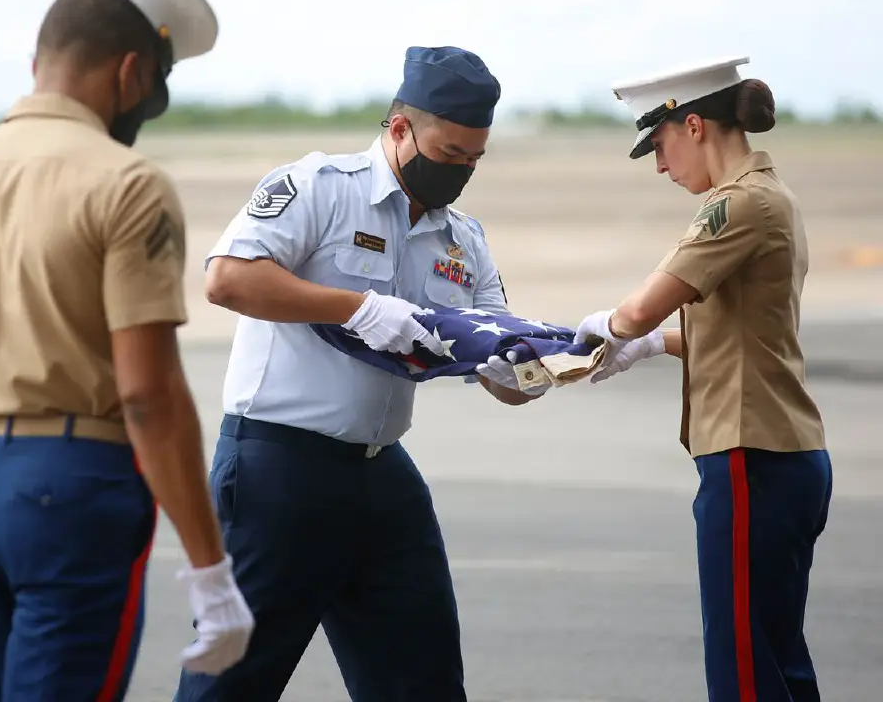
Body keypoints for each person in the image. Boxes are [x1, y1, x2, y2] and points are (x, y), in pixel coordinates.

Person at [0, 0, 255, 701]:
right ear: (131, 73)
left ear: (38, 61)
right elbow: (148, 396)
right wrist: (211, 570)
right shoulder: (127, 183)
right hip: (77, 490)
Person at [177, 45, 545, 702]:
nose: (461, 171)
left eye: (474, 160)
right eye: (451, 153)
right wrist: (358, 308)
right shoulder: (318, 190)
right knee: (229, 686)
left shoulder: (462, 239)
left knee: (424, 685)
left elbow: (501, 355)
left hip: (383, 478)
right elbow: (227, 279)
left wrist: (558, 359)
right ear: (400, 129)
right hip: (279, 471)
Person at [569, 56, 832, 701]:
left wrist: (607, 327)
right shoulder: (773, 196)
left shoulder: (735, 205)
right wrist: (656, 345)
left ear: (693, 127)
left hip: (751, 459)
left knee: (742, 667)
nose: (660, 165)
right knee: (776, 659)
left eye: (658, 145)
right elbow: (741, 334)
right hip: (781, 455)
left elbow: (636, 309)